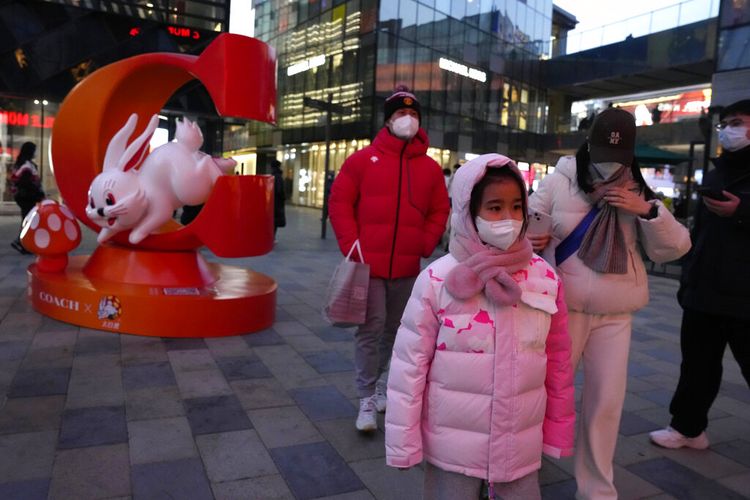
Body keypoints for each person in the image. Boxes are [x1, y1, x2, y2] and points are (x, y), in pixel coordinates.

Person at [385, 154, 575, 500]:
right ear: (467, 212)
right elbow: (408, 367)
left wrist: (558, 432)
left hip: (520, 444)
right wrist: (403, 441)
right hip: (452, 449)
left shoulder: (544, 277)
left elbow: (559, 362)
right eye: (494, 207)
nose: (508, 218)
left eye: (517, 207)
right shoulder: (436, 280)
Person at [527, 108, 691, 499]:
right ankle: (518, 473)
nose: (609, 163)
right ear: (589, 145)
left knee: (606, 403)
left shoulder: (639, 188)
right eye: (603, 152)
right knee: (540, 394)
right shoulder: (558, 180)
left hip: (615, 313)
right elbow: (526, 226)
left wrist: (648, 211)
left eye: (619, 156)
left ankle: (597, 489)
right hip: (562, 311)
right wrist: (531, 239)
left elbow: (676, 247)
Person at [328, 85, 450, 432]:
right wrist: (352, 244)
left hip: (408, 267)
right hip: (369, 266)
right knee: (371, 328)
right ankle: (366, 398)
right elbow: (340, 202)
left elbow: (440, 208)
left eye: (413, 115)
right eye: (400, 114)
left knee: (396, 331)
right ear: (387, 120)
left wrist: (425, 243)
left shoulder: (428, 168)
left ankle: (382, 384)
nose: (407, 120)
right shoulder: (363, 160)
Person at [649, 99, 750, 450]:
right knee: (697, 367)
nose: (730, 130)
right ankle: (688, 428)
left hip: (745, 295)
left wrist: (743, 210)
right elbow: (702, 232)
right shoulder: (718, 170)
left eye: (738, 122)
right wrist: (689, 277)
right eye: (727, 124)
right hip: (705, 289)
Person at [9, 142, 44, 254]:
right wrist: (38, 194)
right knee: (28, 220)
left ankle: (23, 243)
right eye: (35, 150)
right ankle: (21, 241)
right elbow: (27, 183)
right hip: (27, 197)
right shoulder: (26, 166)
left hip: (24, 197)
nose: (36, 152)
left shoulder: (23, 163)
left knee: (27, 219)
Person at [270, 159, 286, 239]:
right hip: (277, 201)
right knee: (275, 220)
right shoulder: (278, 176)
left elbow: (278, 190)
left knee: (274, 219)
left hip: (275, 201)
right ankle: (272, 237)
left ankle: (272, 237)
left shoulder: (274, 176)